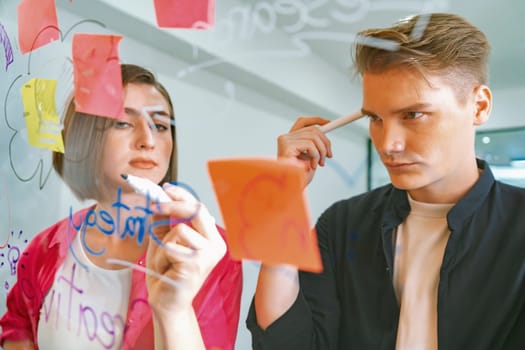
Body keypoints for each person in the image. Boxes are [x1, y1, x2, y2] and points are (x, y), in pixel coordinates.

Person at [247, 13, 525, 350]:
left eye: (413, 115)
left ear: (478, 106)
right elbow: (284, 341)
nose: (388, 143)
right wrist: (283, 195)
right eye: (375, 118)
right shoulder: (342, 224)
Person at [0, 64, 242, 350]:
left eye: (161, 126)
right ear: (84, 137)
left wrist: (173, 310)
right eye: (123, 123)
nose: (148, 140)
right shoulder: (43, 249)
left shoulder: (207, 251)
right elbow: (17, 331)